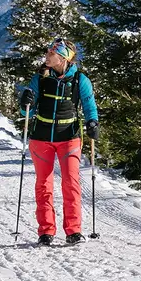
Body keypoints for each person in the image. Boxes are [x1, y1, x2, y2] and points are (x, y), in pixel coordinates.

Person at [18, 38, 98, 246]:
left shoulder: (80, 80)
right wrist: (25, 102)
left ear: (63, 58)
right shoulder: (40, 78)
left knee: (71, 183)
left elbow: (89, 105)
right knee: (43, 185)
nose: (47, 55)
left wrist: (92, 123)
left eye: (51, 52)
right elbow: (26, 111)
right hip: (41, 137)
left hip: (69, 136)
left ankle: (73, 230)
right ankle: (46, 231)